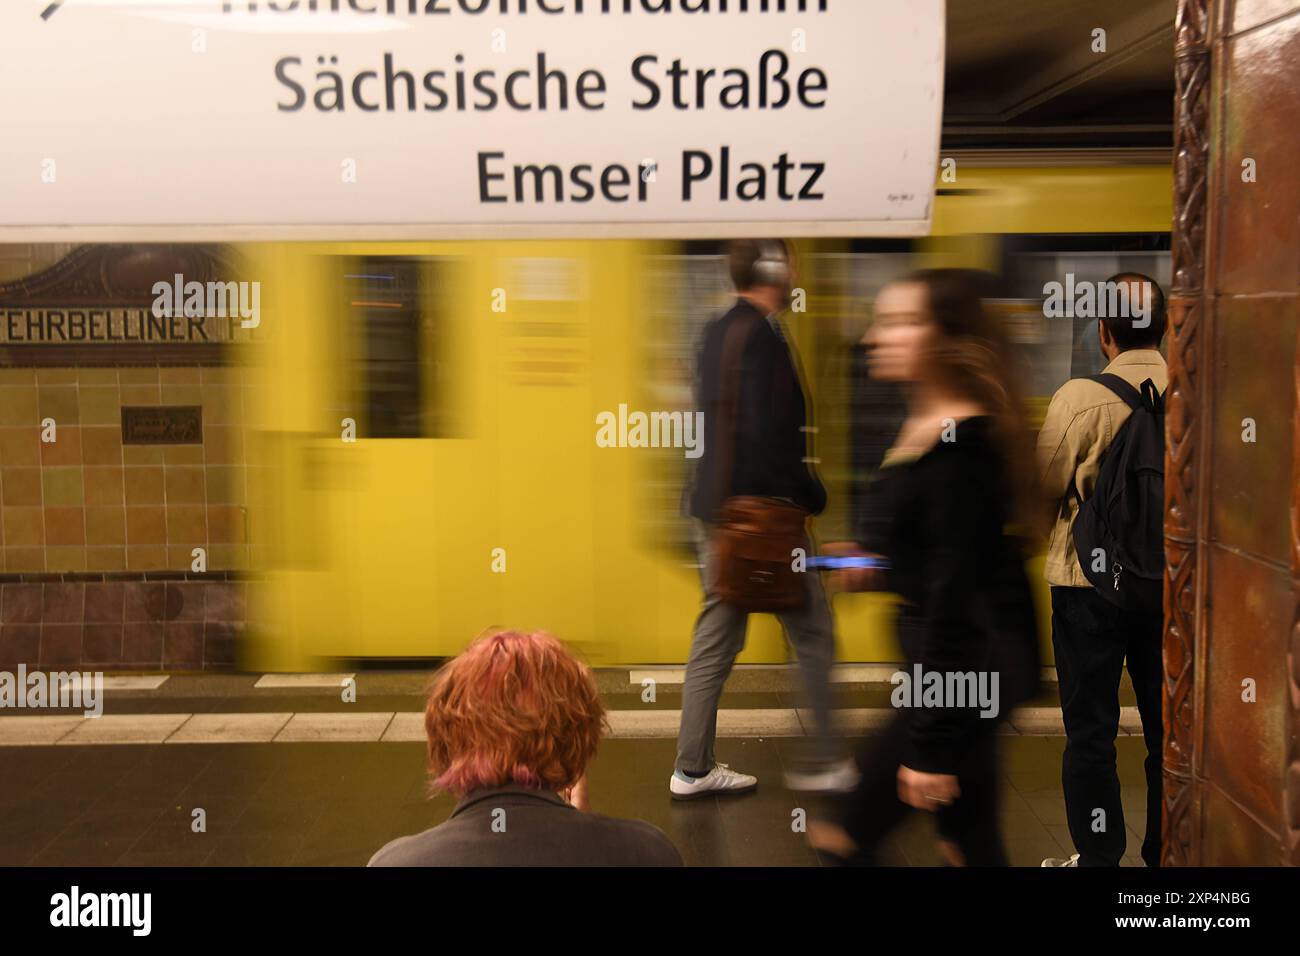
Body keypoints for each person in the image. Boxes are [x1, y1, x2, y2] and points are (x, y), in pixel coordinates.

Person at [807, 268, 1041, 866]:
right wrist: (878, 566)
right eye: (881, 320)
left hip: (967, 671)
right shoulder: (923, 427)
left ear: (947, 338)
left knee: (844, 835)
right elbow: (938, 553)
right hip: (960, 665)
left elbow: (957, 600)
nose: (878, 336)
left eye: (903, 322)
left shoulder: (962, 452)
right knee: (967, 840)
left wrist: (930, 746)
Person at [672, 238, 855, 798]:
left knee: (717, 637)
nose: (795, 270)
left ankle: (692, 768)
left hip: (724, 513)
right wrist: (810, 493)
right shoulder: (761, 338)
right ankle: (824, 759)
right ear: (773, 269)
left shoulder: (717, 330)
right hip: (763, 518)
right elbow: (762, 434)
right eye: (789, 261)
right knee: (815, 634)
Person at [1037, 273, 1168, 868]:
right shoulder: (1199, 391)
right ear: (1165, 327)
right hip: (1171, 591)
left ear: (1105, 331)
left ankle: (1099, 857)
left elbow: (1041, 494)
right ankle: (1170, 852)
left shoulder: (1079, 398)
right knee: (1171, 733)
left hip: (1085, 588)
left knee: (1092, 733)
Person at [370, 629, 683, 867]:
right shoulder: (646, 851)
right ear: (578, 737)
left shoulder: (396, 861)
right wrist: (578, 827)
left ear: (446, 740)